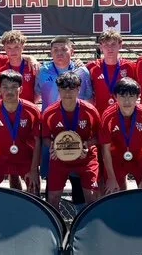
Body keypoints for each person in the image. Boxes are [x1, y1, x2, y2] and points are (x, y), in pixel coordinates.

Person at [35, 36, 92, 206]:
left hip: (77, 131)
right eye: (55, 50)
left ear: (72, 51)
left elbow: (89, 99)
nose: (59, 53)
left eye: (64, 49)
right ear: (50, 52)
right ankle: (51, 216)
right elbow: (35, 96)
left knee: (77, 179)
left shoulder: (82, 72)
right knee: (52, 178)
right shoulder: (42, 71)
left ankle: (79, 216)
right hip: (51, 132)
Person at [42, 72, 100, 211]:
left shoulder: (90, 111)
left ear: (79, 89)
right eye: (64, 88)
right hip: (59, 158)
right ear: (58, 90)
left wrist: (86, 145)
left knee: (92, 198)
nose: (67, 92)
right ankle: (56, 224)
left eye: (72, 88)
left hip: (85, 157)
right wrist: (53, 147)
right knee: (52, 199)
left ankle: (89, 223)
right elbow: (45, 138)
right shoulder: (49, 113)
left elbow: (99, 136)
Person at [0, 70, 41, 194]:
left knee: (35, 191)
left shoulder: (32, 111)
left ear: (21, 89)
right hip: (0, 158)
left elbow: (37, 141)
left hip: (25, 159)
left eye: (14, 87)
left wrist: (34, 169)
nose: (9, 91)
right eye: (5, 87)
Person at [100, 78, 142, 194]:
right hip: (117, 160)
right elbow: (105, 150)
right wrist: (111, 178)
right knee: (112, 192)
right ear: (115, 97)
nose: (127, 101)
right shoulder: (108, 117)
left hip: (140, 158)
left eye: (131, 96)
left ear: (138, 97)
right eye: (122, 96)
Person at [87, 30, 137, 117]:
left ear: (120, 45)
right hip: (99, 115)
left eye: (113, 44)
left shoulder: (130, 67)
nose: (110, 48)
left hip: (123, 116)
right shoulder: (91, 67)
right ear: (101, 47)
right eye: (106, 45)